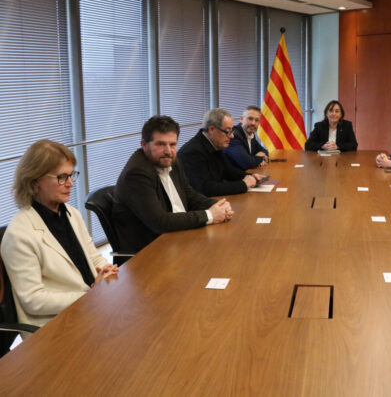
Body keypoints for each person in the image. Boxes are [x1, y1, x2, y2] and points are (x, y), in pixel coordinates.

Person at [0, 140, 118, 329]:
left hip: (91, 307)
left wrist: (106, 271)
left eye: (71, 175)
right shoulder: (19, 235)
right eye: (61, 177)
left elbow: (93, 258)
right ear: (35, 180)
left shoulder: (71, 213)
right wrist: (90, 295)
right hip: (56, 325)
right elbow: (33, 300)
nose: (70, 183)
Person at [113, 116, 233, 253]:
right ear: (144, 144)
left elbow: (189, 194)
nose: (168, 151)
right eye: (160, 144)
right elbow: (160, 222)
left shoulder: (171, 160)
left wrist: (218, 206)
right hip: (152, 250)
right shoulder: (136, 174)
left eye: (172, 144)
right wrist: (210, 215)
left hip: (178, 235)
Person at [178, 108, 266, 196]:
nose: (232, 136)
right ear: (212, 129)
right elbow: (205, 188)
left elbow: (228, 171)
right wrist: (243, 185)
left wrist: (250, 176)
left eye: (231, 131)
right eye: (227, 131)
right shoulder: (192, 152)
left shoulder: (214, 144)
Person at [224, 106, 270, 170]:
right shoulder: (233, 136)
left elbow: (264, 151)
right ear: (241, 119)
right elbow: (246, 163)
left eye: (257, 120)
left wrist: (254, 158)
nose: (253, 123)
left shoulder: (251, 134)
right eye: (250, 119)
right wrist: (261, 158)